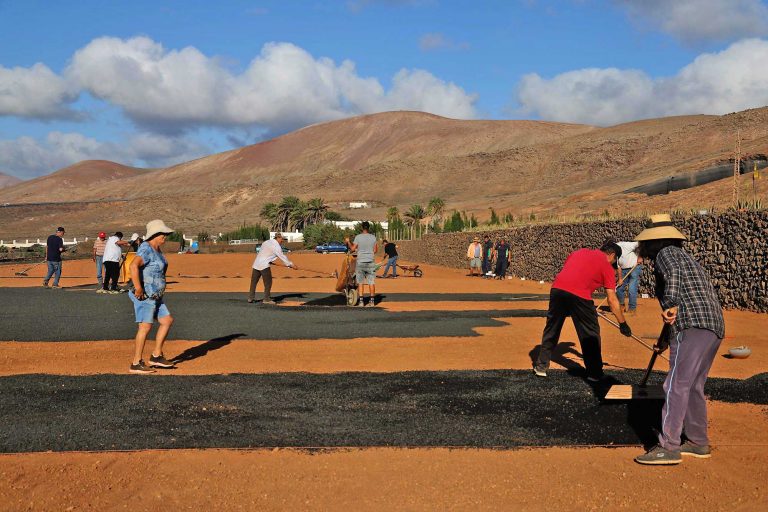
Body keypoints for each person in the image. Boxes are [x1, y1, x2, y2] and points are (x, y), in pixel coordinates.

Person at [633, 214, 725, 466]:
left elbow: (673, 293)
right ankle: (697, 441)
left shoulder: (666, 255)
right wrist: (664, 339)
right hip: (712, 326)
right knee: (693, 385)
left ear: (652, 242)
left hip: (692, 325)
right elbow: (677, 308)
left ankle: (669, 446)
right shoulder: (687, 258)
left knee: (675, 385)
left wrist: (671, 303)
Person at [533, 241, 632, 381]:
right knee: (590, 332)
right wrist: (622, 323)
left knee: (552, 328)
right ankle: (595, 373)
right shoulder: (607, 267)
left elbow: (573, 273)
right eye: (614, 261)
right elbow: (612, 300)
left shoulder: (579, 252)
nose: (613, 264)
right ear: (612, 255)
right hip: (580, 295)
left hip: (557, 289)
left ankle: (541, 366)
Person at [128, 219, 177, 374]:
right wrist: (138, 288)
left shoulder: (157, 250)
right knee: (145, 326)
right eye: (163, 233)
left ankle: (156, 356)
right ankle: (136, 363)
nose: (165, 236)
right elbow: (133, 266)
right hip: (145, 295)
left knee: (167, 320)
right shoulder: (146, 248)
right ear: (155, 234)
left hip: (155, 295)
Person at [248, 233, 297, 304]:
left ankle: (250, 298)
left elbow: (264, 252)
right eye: (282, 239)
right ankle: (266, 299)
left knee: (253, 282)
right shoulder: (276, 247)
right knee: (268, 283)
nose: (282, 241)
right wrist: (291, 265)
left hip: (256, 264)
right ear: (278, 238)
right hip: (264, 265)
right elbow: (282, 257)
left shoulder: (266, 242)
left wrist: (269, 260)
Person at [345, 221, 378, 307]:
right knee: (371, 282)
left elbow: (352, 249)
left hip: (360, 262)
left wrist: (348, 242)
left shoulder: (358, 237)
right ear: (369, 228)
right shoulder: (373, 237)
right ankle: (372, 301)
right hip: (370, 261)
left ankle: (361, 302)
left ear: (362, 228)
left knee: (360, 282)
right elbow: (375, 250)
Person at [616, 240, 643, 315]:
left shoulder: (626, 245)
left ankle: (632, 309)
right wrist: (620, 278)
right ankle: (622, 306)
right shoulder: (612, 253)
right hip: (623, 269)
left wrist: (640, 256)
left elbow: (641, 244)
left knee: (632, 288)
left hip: (634, 267)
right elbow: (617, 266)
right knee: (619, 288)